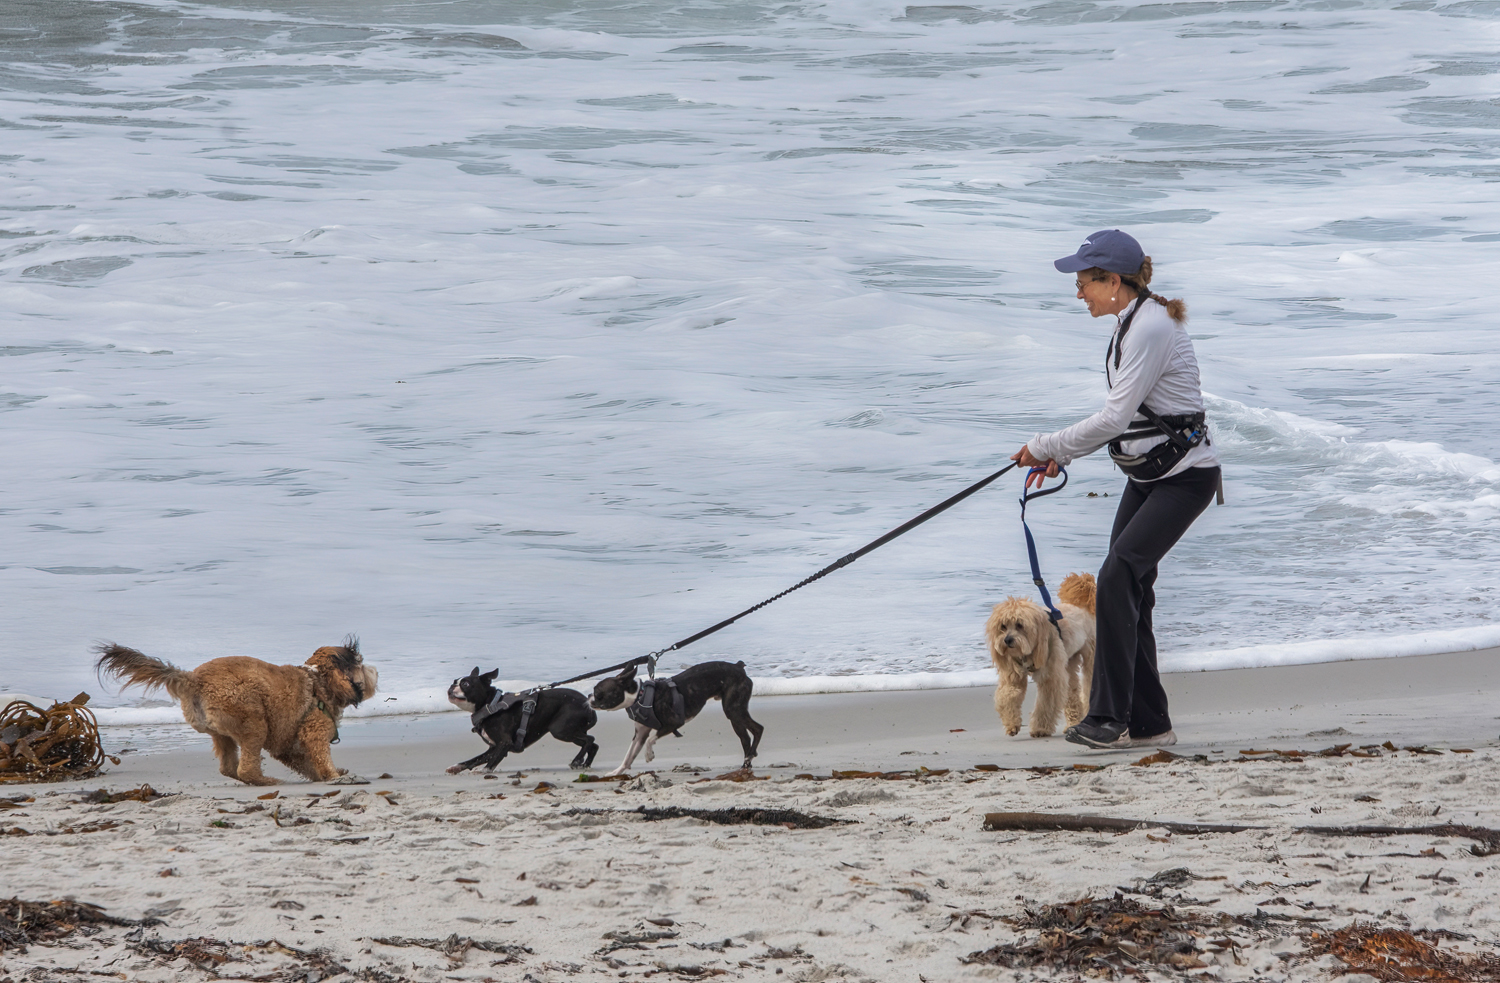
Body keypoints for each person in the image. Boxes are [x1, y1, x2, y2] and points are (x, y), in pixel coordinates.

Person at [1011, 229, 1221, 750]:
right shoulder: (1133, 322)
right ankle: (1152, 722)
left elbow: (1113, 418)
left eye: (1084, 282)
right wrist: (1057, 455)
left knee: (1118, 576)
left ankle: (1109, 718)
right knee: (1133, 590)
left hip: (1185, 479)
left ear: (1114, 282)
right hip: (1150, 477)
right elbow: (1127, 420)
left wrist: (1046, 446)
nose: (1078, 292)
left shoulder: (1149, 327)